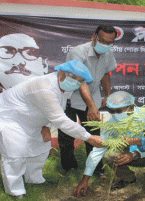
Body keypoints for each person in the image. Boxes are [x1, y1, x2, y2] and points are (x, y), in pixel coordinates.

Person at [0, 60, 105, 199]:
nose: (75, 82)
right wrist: (88, 137)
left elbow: (57, 107)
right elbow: (60, 119)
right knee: (15, 154)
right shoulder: (44, 87)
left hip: (30, 118)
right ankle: (16, 191)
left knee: (41, 147)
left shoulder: (65, 87)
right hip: (8, 115)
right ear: (61, 73)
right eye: (73, 77)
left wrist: (46, 126)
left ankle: (34, 180)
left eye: (80, 81)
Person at [73, 91, 145, 197]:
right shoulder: (110, 125)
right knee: (110, 155)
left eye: (118, 110)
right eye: (111, 111)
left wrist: (134, 154)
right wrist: (85, 180)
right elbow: (97, 151)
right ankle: (128, 179)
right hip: (128, 154)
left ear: (131, 107)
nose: (114, 114)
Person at [58, 25, 117, 176]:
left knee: (94, 134)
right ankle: (69, 168)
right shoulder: (78, 52)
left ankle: (96, 169)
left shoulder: (108, 53)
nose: (105, 45)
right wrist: (91, 107)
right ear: (93, 37)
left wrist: (108, 95)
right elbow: (80, 81)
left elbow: (105, 74)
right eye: (101, 41)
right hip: (71, 98)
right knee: (67, 135)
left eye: (109, 43)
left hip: (93, 97)